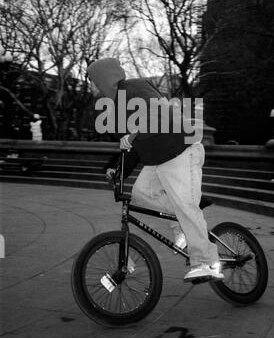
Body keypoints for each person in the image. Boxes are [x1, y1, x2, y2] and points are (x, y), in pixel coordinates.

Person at [87, 58, 223, 282]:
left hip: (182, 150)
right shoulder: (116, 108)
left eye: (92, 80)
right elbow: (133, 148)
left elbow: (157, 112)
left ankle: (207, 262)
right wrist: (116, 169)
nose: (91, 86)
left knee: (184, 205)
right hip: (158, 160)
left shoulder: (134, 87)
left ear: (104, 78)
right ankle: (182, 227)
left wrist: (132, 134)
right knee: (141, 194)